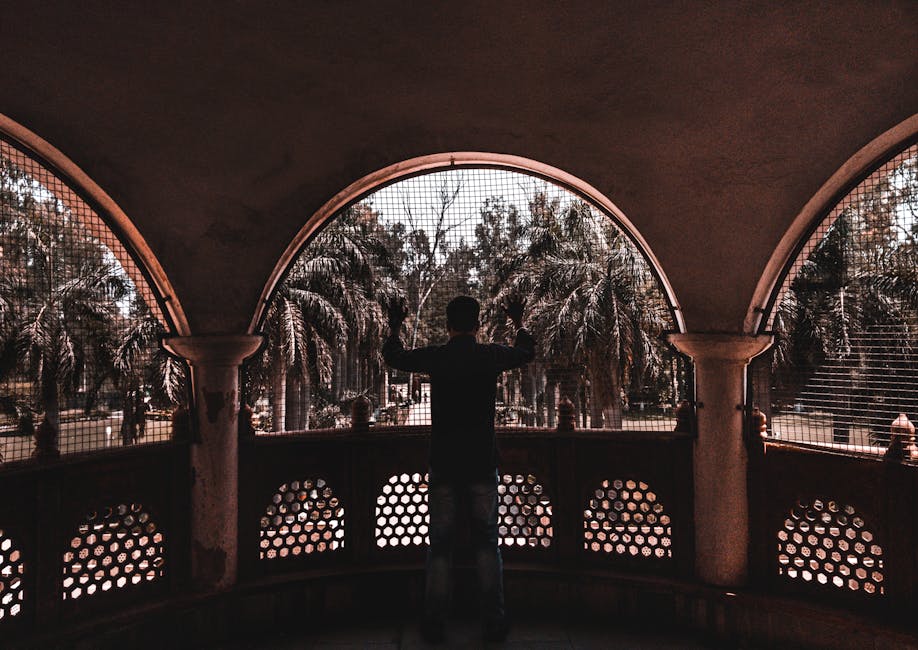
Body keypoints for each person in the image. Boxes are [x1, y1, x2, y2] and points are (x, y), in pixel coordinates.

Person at [382, 295, 535, 643]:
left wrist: (395, 324)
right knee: (487, 544)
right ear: (477, 324)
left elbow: (393, 356)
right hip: (481, 463)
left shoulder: (439, 357)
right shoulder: (489, 355)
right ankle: (494, 620)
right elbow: (526, 352)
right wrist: (518, 320)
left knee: (439, 547)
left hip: (445, 464)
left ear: (448, 324)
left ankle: (434, 621)